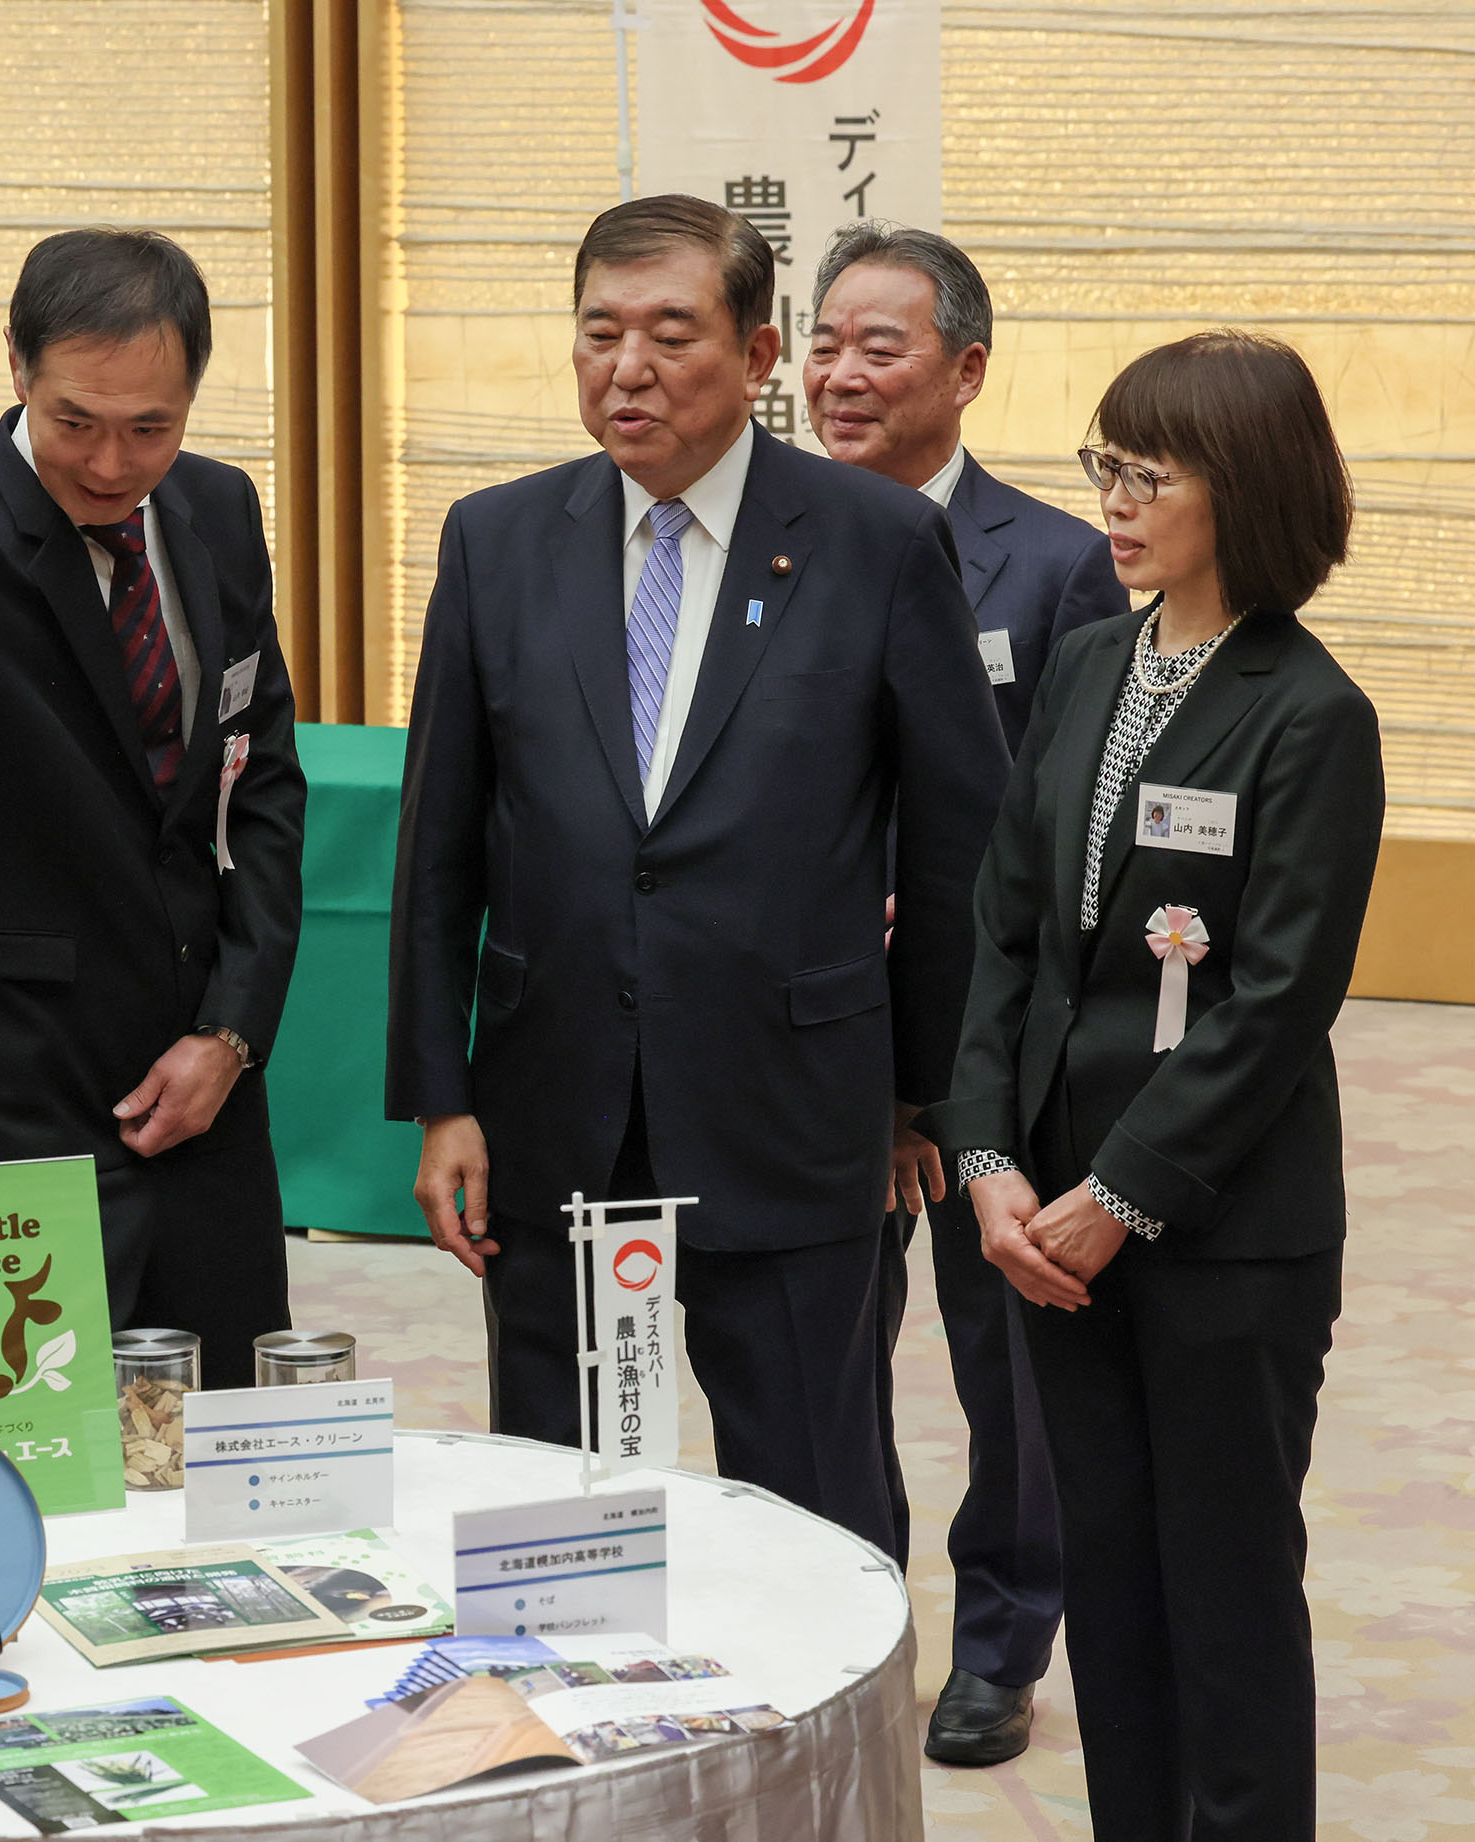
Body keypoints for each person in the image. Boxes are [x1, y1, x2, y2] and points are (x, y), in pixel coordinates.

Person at [388, 195, 1008, 1559]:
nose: (630, 368)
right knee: (559, 1498)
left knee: (809, 1489)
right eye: (600, 333)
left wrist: (918, 1094)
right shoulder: (500, 540)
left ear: (759, 350)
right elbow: (438, 844)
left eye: (673, 334)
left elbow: (963, 846)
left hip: (793, 1107)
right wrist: (444, 1097)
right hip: (555, 1100)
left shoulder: (875, 540)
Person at [922, 332, 1380, 1838]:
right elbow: (1006, 926)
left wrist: (1116, 1196)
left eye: (1147, 473)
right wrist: (988, 1155)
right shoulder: (1089, 662)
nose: (1112, 501)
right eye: (1103, 466)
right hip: (1049, 1221)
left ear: (1239, 490)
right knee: (1112, 1583)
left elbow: (1273, 1003)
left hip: (1215, 1231)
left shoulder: (1311, 713)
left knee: (1228, 1593)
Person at [0, 228, 305, 1389]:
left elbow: (264, 787)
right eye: (76, 421)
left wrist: (231, 1035)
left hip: (204, 1102)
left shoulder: (215, 511)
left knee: (216, 1461)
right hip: (11, 1101)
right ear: (15, 368)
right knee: (11, 1475)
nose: (110, 463)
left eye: (151, 425)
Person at [803, 219, 1130, 1766]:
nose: (837, 374)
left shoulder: (1057, 564)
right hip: (812, 1031)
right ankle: (844, 1622)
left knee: (1008, 1350)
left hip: (999, 1042)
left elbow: (1073, 826)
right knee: (820, 1349)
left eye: (881, 345)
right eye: (822, 341)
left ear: (968, 370)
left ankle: (1003, 1639)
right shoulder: (772, 539)